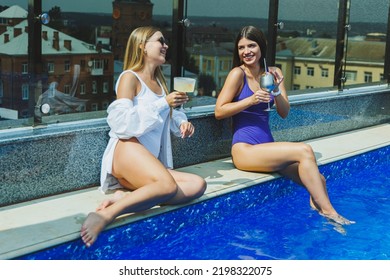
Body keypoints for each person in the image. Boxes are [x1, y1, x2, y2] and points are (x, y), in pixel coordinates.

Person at [81, 26, 207, 247]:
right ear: (142, 46)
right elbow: (120, 123)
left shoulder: (160, 83)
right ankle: (106, 215)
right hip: (127, 150)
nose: (166, 45)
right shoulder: (129, 78)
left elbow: (171, 112)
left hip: (147, 162)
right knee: (168, 187)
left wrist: (182, 122)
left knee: (198, 185)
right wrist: (163, 103)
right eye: (160, 41)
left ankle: (126, 197)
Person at [214, 25, 354, 225]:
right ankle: (331, 213)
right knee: (305, 150)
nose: (246, 52)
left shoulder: (273, 73)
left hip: (267, 147)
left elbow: (284, 112)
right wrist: (251, 100)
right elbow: (219, 111)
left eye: (251, 45)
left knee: (319, 181)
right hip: (245, 149)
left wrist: (277, 91)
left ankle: (318, 218)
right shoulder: (238, 74)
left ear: (261, 46)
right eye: (241, 47)